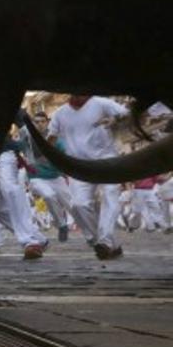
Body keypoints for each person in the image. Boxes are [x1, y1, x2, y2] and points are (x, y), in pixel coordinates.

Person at [48, 95, 129, 260]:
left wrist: (115, 120)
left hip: (107, 159)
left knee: (110, 197)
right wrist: (49, 152)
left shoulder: (101, 103)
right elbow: (51, 137)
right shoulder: (60, 113)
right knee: (79, 205)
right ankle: (101, 242)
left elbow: (127, 114)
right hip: (78, 165)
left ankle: (105, 242)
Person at [20, 111, 72, 242]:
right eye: (36, 122)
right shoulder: (27, 138)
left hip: (56, 177)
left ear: (47, 122)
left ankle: (93, 236)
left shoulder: (57, 140)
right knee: (49, 195)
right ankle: (62, 225)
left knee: (74, 206)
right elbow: (21, 133)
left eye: (42, 122)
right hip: (36, 178)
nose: (39, 124)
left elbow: (66, 158)